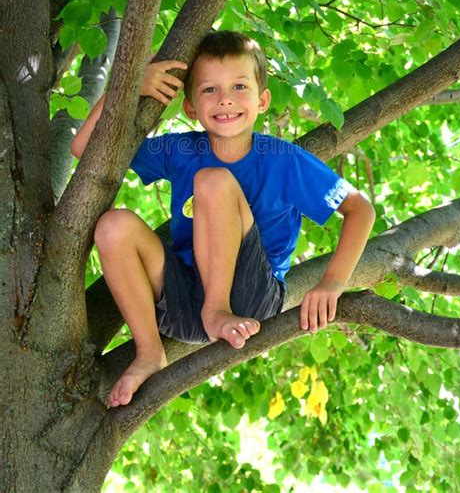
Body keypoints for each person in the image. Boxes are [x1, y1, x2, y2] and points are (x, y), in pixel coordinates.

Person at [71, 30, 376, 408]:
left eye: (238, 86)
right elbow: (85, 149)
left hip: (250, 296)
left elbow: (359, 208)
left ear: (263, 100)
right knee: (112, 225)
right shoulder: (182, 149)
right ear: (190, 107)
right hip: (182, 305)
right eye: (210, 90)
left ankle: (217, 308)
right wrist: (129, 86)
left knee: (212, 181)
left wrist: (332, 282)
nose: (225, 99)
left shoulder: (282, 159)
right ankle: (149, 351)